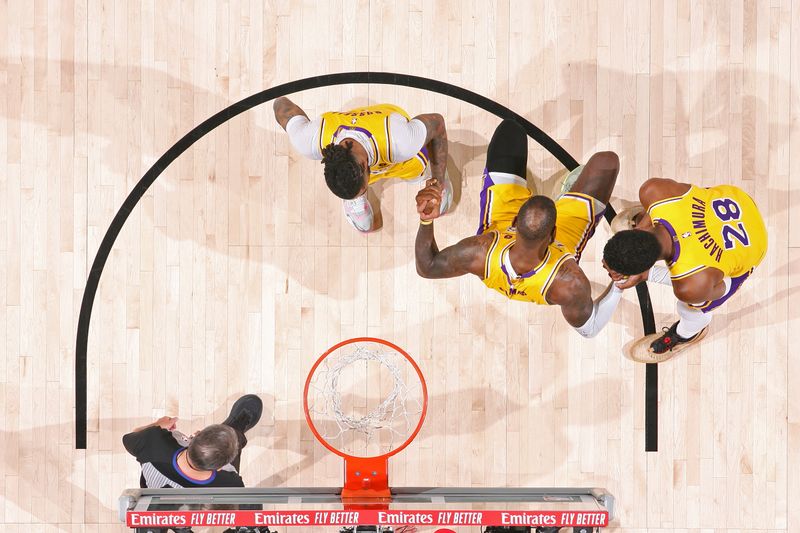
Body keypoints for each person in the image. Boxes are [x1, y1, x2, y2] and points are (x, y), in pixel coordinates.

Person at [414, 119, 622, 338]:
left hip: (501, 228)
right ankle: (570, 195)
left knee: (511, 130)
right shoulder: (568, 281)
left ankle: (564, 196)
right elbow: (589, 329)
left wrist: (426, 219)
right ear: (552, 234)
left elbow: (427, 267)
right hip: (564, 243)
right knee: (607, 161)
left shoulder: (480, 251)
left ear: (515, 222)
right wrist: (618, 284)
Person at [602, 178, 767, 357]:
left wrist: (647, 275)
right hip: (737, 199)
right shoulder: (652, 190)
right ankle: (646, 220)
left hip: (755, 246)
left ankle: (686, 334)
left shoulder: (690, 287)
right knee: (664, 204)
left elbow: (721, 288)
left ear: (648, 265)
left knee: (693, 307)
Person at [273, 96, 453, 232]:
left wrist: (436, 182)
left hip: (392, 140)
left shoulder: (401, 141)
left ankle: (434, 178)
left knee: (417, 168)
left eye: (363, 188)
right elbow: (280, 104)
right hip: (365, 156)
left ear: (367, 167)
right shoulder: (309, 140)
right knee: (354, 192)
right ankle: (354, 196)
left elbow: (437, 123)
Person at [122, 394, 263, 489]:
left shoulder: (153, 441)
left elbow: (130, 437)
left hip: (161, 508)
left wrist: (157, 425)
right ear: (220, 467)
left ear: (194, 436)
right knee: (231, 443)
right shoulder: (231, 484)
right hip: (196, 505)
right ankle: (236, 430)